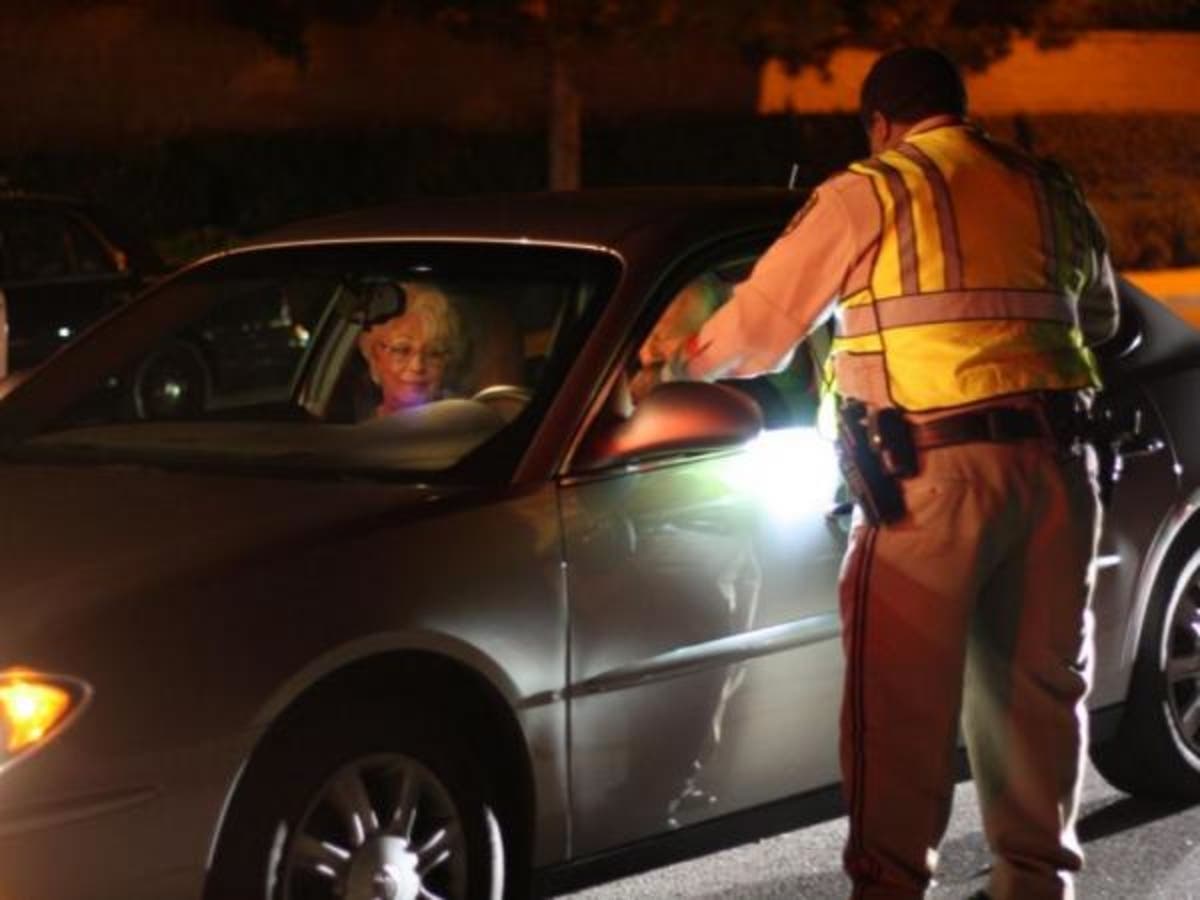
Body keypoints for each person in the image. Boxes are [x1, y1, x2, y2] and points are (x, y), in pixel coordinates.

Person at [641, 47, 1119, 900]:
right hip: (1058, 470)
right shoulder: (1047, 188)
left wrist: (670, 364)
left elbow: (756, 335)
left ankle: (891, 889)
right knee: (1040, 695)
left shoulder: (872, 190)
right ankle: (1035, 883)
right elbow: (1102, 318)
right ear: (960, 108)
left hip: (929, 480)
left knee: (898, 710)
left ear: (880, 124)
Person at [357, 282, 466, 416]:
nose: (417, 366)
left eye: (434, 353)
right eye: (402, 350)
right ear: (374, 356)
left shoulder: (464, 422)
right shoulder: (355, 428)